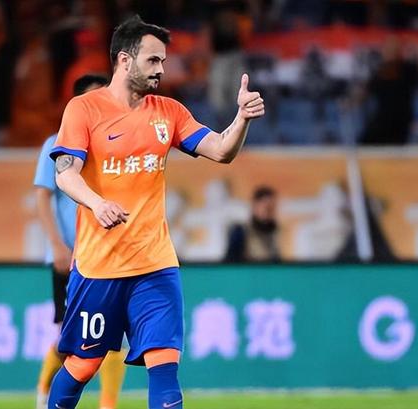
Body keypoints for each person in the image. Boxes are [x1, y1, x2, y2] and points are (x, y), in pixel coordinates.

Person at [48, 15, 264, 409]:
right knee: (83, 365)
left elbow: (220, 151)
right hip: (99, 266)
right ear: (124, 60)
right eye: (152, 60)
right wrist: (97, 203)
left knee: (164, 366)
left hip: (155, 264)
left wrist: (241, 120)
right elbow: (65, 174)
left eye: (162, 61)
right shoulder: (84, 109)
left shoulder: (169, 111)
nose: (161, 69)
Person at [33, 74, 126, 409]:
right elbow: (43, 197)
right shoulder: (57, 143)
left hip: (108, 255)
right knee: (68, 335)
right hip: (71, 256)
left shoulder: (117, 143)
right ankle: (44, 393)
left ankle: (108, 404)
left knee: (114, 331)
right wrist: (57, 245)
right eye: (93, 98)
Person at [225, 186, 280, 263]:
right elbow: (231, 262)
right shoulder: (240, 231)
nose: (268, 210)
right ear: (254, 206)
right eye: (265, 206)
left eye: (272, 207)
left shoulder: (276, 233)